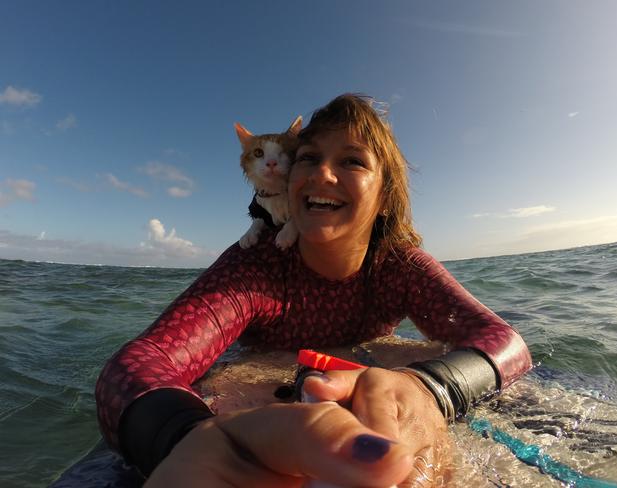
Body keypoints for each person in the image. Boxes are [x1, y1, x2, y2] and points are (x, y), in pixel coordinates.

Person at [95, 94, 532, 487]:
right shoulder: (256, 266)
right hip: (260, 397)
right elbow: (137, 365)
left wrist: (429, 389)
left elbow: (505, 344)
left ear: (384, 198)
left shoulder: (397, 264)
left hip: (372, 383)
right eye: (307, 158)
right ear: (289, 180)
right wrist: (186, 435)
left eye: (352, 161)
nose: (322, 173)